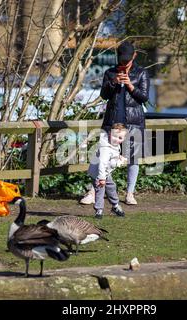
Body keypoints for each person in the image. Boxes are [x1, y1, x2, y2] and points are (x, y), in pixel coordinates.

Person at [80, 41, 150, 206]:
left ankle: (130, 193)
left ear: (134, 55)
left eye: (127, 59)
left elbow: (144, 97)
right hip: (112, 121)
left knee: (133, 158)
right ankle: (93, 191)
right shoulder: (110, 72)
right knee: (101, 157)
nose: (124, 62)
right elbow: (104, 95)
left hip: (133, 121)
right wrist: (113, 82)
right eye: (122, 59)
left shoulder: (141, 73)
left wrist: (130, 86)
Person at [88, 123, 128, 219]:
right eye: (114, 136)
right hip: (98, 173)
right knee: (100, 190)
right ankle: (99, 210)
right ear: (110, 134)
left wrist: (119, 157)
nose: (116, 139)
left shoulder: (115, 145)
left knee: (111, 187)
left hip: (106, 173)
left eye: (120, 138)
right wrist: (101, 178)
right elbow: (102, 164)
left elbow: (113, 156)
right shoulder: (105, 148)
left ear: (123, 138)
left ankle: (115, 206)